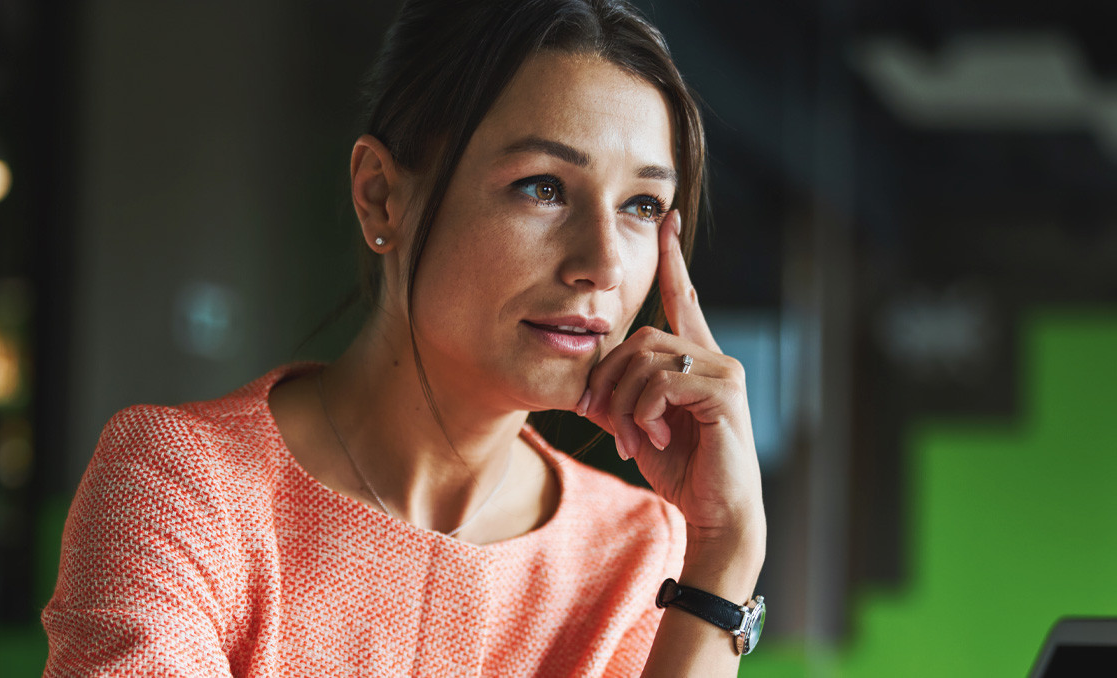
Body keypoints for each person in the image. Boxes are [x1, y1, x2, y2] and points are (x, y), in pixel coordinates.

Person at [42, 0, 767, 675]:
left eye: (642, 205)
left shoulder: (638, 553)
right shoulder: (183, 489)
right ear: (382, 195)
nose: (604, 265)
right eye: (543, 187)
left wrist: (723, 554)